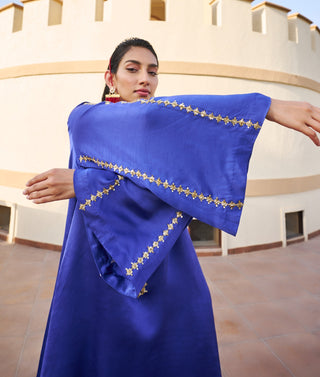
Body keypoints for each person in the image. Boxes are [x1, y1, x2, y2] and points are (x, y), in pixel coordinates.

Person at [23, 38, 320, 377]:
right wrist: (264, 106)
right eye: (132, 70)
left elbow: (181, 166)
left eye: (153, 72)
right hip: (96, 256)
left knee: (185, 329)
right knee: (98, 344)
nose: (144, 79)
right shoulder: (86, 118)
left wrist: (82, 182)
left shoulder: (163, 129)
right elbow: (151, 121)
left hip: (164, 253)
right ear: (110, 79)